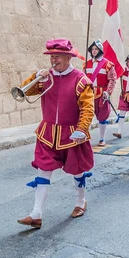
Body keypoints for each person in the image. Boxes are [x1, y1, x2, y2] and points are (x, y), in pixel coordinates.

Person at [17, 39, 95, 229]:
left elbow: (87, 108)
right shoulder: (46, 77)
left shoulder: (81, 80)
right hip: (48, 133)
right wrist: (36, 77)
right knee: (43, 170)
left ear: (69, 57)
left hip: (71, 134)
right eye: (52, 57)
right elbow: (26, 91)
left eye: (57, 56)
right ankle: (36, 213)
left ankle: (80, 201)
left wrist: (82, 129)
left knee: (77, 170)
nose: (53, 60)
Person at [84, 39, 117, 146]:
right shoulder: (86, 64)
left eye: (96, 49)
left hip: (102, 94)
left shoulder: (108, 64)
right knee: (85, 115)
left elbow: (112, 79)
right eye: (92, 49)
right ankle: (85, 137)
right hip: (88, 93)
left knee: (102, 117)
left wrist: (108, 92)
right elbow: (83, 79)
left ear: (100, 50)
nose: (94, 51)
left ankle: (102, 138)